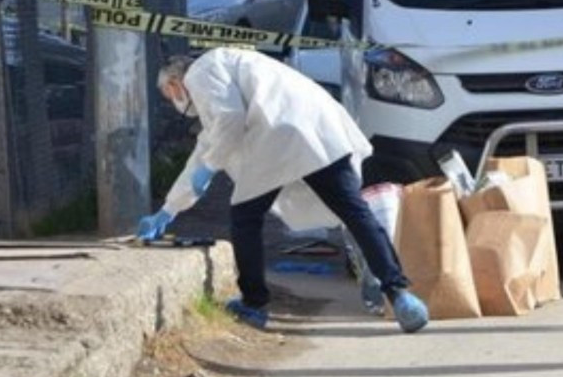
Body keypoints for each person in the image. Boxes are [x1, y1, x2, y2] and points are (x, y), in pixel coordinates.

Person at [138, 51, 430, 334]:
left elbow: (229, 121)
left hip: (277, 137)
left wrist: (209, 168)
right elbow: (207, 146)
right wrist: (169, 208)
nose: (175, 102)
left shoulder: (201, 72)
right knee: (355, 212)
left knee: (245, 219)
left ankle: (254, 304)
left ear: (175, 83)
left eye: (169, 94)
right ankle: (400, 294)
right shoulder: (233, 63)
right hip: (320, 128)